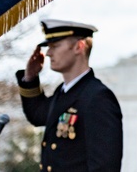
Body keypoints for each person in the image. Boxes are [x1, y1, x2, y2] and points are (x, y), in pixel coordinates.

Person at [16, 19, 123, 172]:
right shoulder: (64, 91)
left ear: (79, 47)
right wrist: (30, 78)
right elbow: (38, 115)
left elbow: (104, 166)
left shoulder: (98, 97)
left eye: (55, 46)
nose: (48, 53)